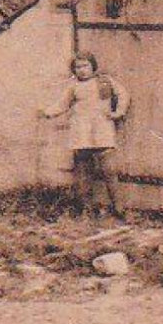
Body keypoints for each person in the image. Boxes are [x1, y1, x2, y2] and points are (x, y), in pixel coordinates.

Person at [40, 52, 131, 215]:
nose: (82, 70)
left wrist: (118, 112)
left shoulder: (105, 81)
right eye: (78, 67)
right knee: (83, 171)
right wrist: (47, 112)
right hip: (81, 131)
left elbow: (123, 94)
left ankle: (119, 208)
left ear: (92, 66)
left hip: (102, 130)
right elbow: (62, 104)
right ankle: (85, 209)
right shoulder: (73, 86)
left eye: (85, 66)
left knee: (109, 170)